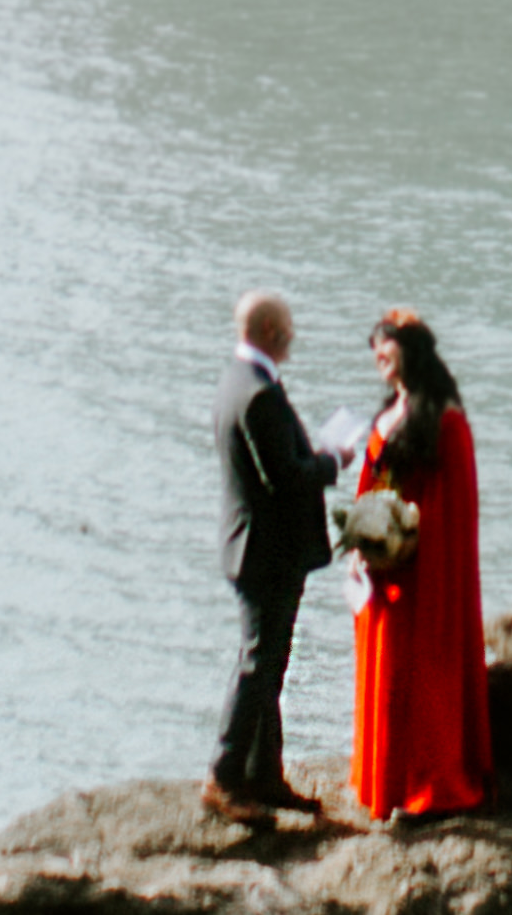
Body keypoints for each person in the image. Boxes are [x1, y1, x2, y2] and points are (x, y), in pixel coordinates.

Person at [345, 308, 491, 822]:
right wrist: (361, 540)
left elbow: (451, 511)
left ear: (411, 351)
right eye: (375, 349)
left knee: (421, 672)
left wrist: (405, 538)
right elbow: (373, 482)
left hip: (423, 570)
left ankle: (428, 787)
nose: (379, 356)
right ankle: (383, 783)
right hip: (384, 565)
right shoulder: (393, 408)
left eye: (387, 347)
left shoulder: (446, 420)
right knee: (384, 673)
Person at [207, 288, 339, 825]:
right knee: (260, 663)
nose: (293, 335)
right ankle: (224, 775)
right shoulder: (259, 394)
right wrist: (332, 461)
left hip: (251, 545)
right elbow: (284, 478)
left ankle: (265, 774)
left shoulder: (235, 382)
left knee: (271, 662)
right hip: (265, 551)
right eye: (288, 326)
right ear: (270, 332)